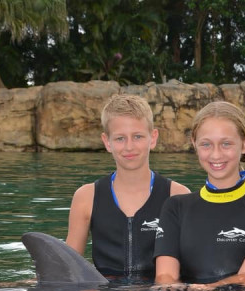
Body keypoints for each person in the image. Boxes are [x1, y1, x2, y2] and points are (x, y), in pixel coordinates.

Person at [66, 94, 190, 279]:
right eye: (120, 138)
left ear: (153, 137)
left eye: (138, 136)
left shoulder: (177, 195)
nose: (129, 147)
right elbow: (67, 267)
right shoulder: (86, 197)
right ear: (107, 142)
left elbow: (191, 263)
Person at [153, 101, 245, 291]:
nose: (216, 154)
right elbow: (165, 277)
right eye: (206, 144)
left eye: (226, 143)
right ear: (194, 144)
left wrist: (205, 290)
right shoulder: (176, 207)